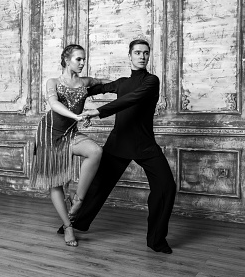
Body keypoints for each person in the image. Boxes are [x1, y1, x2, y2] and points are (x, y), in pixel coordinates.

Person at [61, 39, 177, 254]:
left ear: (149, 56)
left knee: (166, 187)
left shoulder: (151, 81)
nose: (142, 56)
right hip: (119, 142)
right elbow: (94, 88)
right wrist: (70, 85)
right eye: (137, 52)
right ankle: (74, 223)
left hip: (144, 144)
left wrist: (98, 111)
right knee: (97, 187)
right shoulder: (122, 82)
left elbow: (131, 99)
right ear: (130, 55)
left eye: (145, 53)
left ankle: (156, 240)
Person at [29, 44, 110, 247]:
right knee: (56, 183)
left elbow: (109, 83)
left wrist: (132, 85)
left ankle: (78, 202)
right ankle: (67, 226)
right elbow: (54, 104)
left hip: (70, 133)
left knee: (95, 151)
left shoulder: (85, 82)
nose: (83, 63)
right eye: (78, 59)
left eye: (84, 59)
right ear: (66, 60)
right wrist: (76, 116)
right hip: (49, 134)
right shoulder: (53, 82)